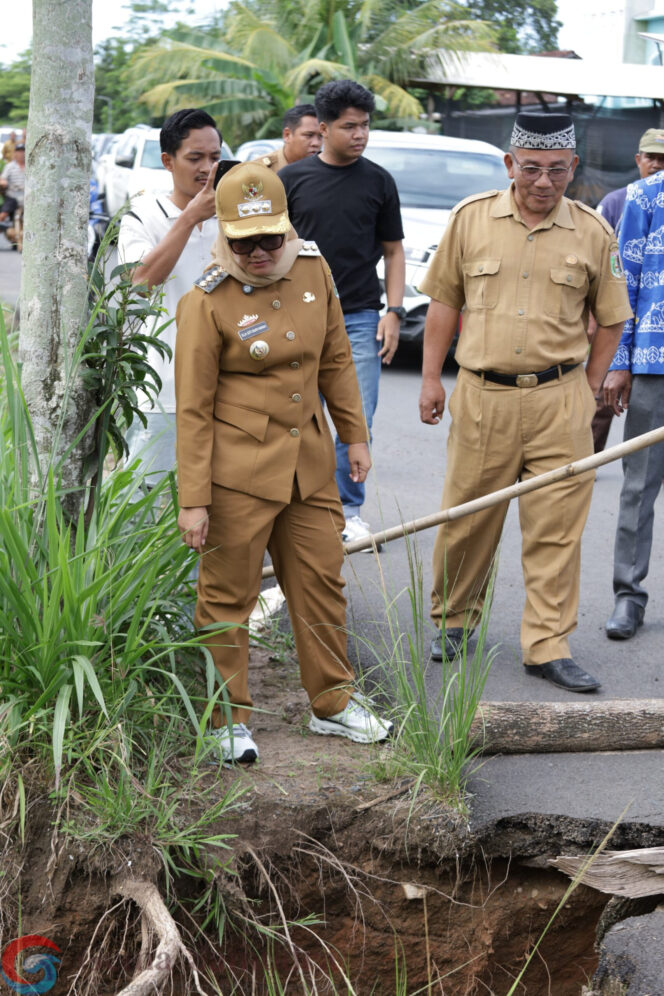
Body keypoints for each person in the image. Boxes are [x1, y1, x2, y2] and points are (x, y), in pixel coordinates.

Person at [174, 162, 393, 763]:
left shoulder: (313, 270)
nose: (262, 251)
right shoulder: (206, 299)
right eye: (246, 241)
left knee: (322, 584)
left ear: (287, 227)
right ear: (223, 232)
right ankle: (226, 719)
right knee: (227, 597)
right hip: (238, 473)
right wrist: (194, 499)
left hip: (310, 465)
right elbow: (192, 408)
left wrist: (356, 436)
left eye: (272, 236)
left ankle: (333, 703)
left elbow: (336, 359)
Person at [418, 112, 631, 692]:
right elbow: (442, 302)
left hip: (560, 398)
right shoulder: (471, 219)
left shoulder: (592, 231)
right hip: (484, 395)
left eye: (557, 171)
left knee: (557, 528)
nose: (543, 182)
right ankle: (454, 621)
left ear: (573, 169)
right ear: (510, 164)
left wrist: (587, 387)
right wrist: (431, 378)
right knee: (467, 517)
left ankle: (547, 644)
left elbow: (612, 321)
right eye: (531, 168)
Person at [279, 79, 405, 546]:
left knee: (358, 418)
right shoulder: (291, 181)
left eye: (366, 126)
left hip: (357, 316)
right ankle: (294, 505)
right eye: (349, 126)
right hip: (294, 317)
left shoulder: (379, 181)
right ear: (324, 128)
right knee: (294, 414)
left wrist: (393, 311)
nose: (360, 134)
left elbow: (393, 251)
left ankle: (347, 509)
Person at [118, 108, 221, 479]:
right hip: (163, 391)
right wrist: (191, 217)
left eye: (215, 157)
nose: (207, 168)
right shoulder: (142, 215)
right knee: (138, 501)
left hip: (229, 391)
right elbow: (140, 282)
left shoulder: (235, 216)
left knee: (215, 508)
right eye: (195, 158)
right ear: (168, 161)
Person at [604, 169, 664, 641]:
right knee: (639, 485)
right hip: (654, 361)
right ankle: (629, 595)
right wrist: (619, 362)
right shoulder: (644, 197)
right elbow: (624, 283)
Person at [591, 128, 664, 452]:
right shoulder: (622, 200)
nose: (658, 164)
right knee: (601, 400)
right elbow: (616, 277)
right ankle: (581, 464)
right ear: (638, 160)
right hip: (630, 329)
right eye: (652, 157)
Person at [259, 104, 322, 172]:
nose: (316, 143)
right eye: (309, 135)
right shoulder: (260, 170)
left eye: (321, 136)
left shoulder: (326, 169)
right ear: (287, 135)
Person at [0, 143, 25, 247]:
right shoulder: (9, 166)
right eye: (19, 151)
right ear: (15, 153)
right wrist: (3, 182)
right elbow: (3, 179)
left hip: (27, 197)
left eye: (23, 151)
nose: (21, 154)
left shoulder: (31, 165)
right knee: (3, 214)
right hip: (13, 196)